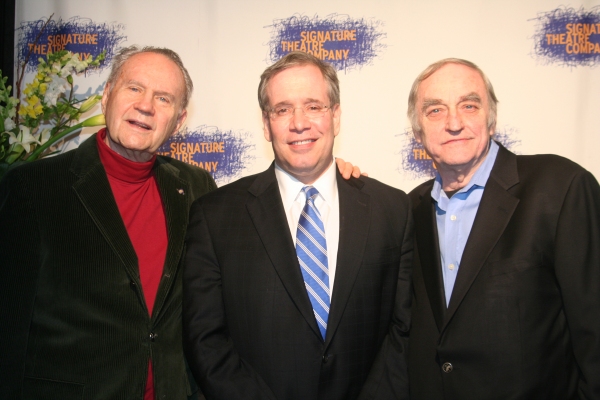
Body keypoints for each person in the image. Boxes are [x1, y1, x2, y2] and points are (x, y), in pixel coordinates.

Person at [182, 51, 413, 400]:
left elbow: (403, 331)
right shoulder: (214, 215)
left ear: (335, 116)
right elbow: (205, 339)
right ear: (265, 123)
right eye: (283, 109)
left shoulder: (392, 209)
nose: (299, 123)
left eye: (314, 106)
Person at [0, 45, 217, 399]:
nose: (145, 105)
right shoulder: (33, 187)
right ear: (106, 97)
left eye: (163, 98)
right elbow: (7, 325)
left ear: (178, 121)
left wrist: (328, 179)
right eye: (134, 88)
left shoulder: (196, 188)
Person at [406, 58, 600, 399]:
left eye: (469, 105)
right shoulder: (408, 210)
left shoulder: (559, 188)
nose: (454, 122)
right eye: (435, 110)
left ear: (491, 119)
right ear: (417, 130)